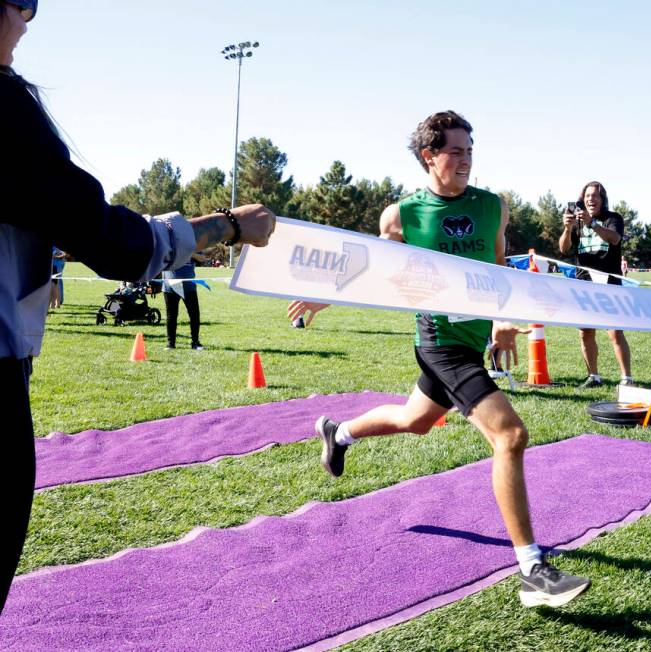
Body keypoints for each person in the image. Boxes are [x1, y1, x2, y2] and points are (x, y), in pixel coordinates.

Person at [0, 0, 277, 613]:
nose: (29, 17)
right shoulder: (2, 107)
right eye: (23, 0)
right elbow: (109, 240)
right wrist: (225, 226)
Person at [288, 111, 590, 608]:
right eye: (455, 151)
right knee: (510, 435)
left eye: (470, 150)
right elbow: (377, 270)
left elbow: (497, 270)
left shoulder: (494, 206)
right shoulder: (401, 215)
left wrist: (499, 320)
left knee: (416, 421)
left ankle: (337, 432)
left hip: (471, 341)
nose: (466, 159)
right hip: (438, 339)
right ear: (429, 156)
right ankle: (533, 569)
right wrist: (326, 296)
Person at [558, 181, 633, 388]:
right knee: (585, 332)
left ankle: (627, 378)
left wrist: (592, 223)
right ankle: (593, 376)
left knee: (615, 331)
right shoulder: (578, 222)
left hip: (609, 281)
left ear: (602, 200)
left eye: (595, 196)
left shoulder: (612, 218)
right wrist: (567, 228)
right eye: (587, 196)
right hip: (584, 282)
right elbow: (564, 249)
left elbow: (615, 239)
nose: (591, 199)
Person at [163, 252, 207, 350]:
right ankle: (171, 343)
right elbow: (163, 256)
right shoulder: (171, 244)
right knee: (171, 316)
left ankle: (195, 342)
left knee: (194, 314)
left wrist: (191, 254)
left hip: (189, 286)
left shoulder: (194, 244)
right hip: (170, 286)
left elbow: (203, 258)